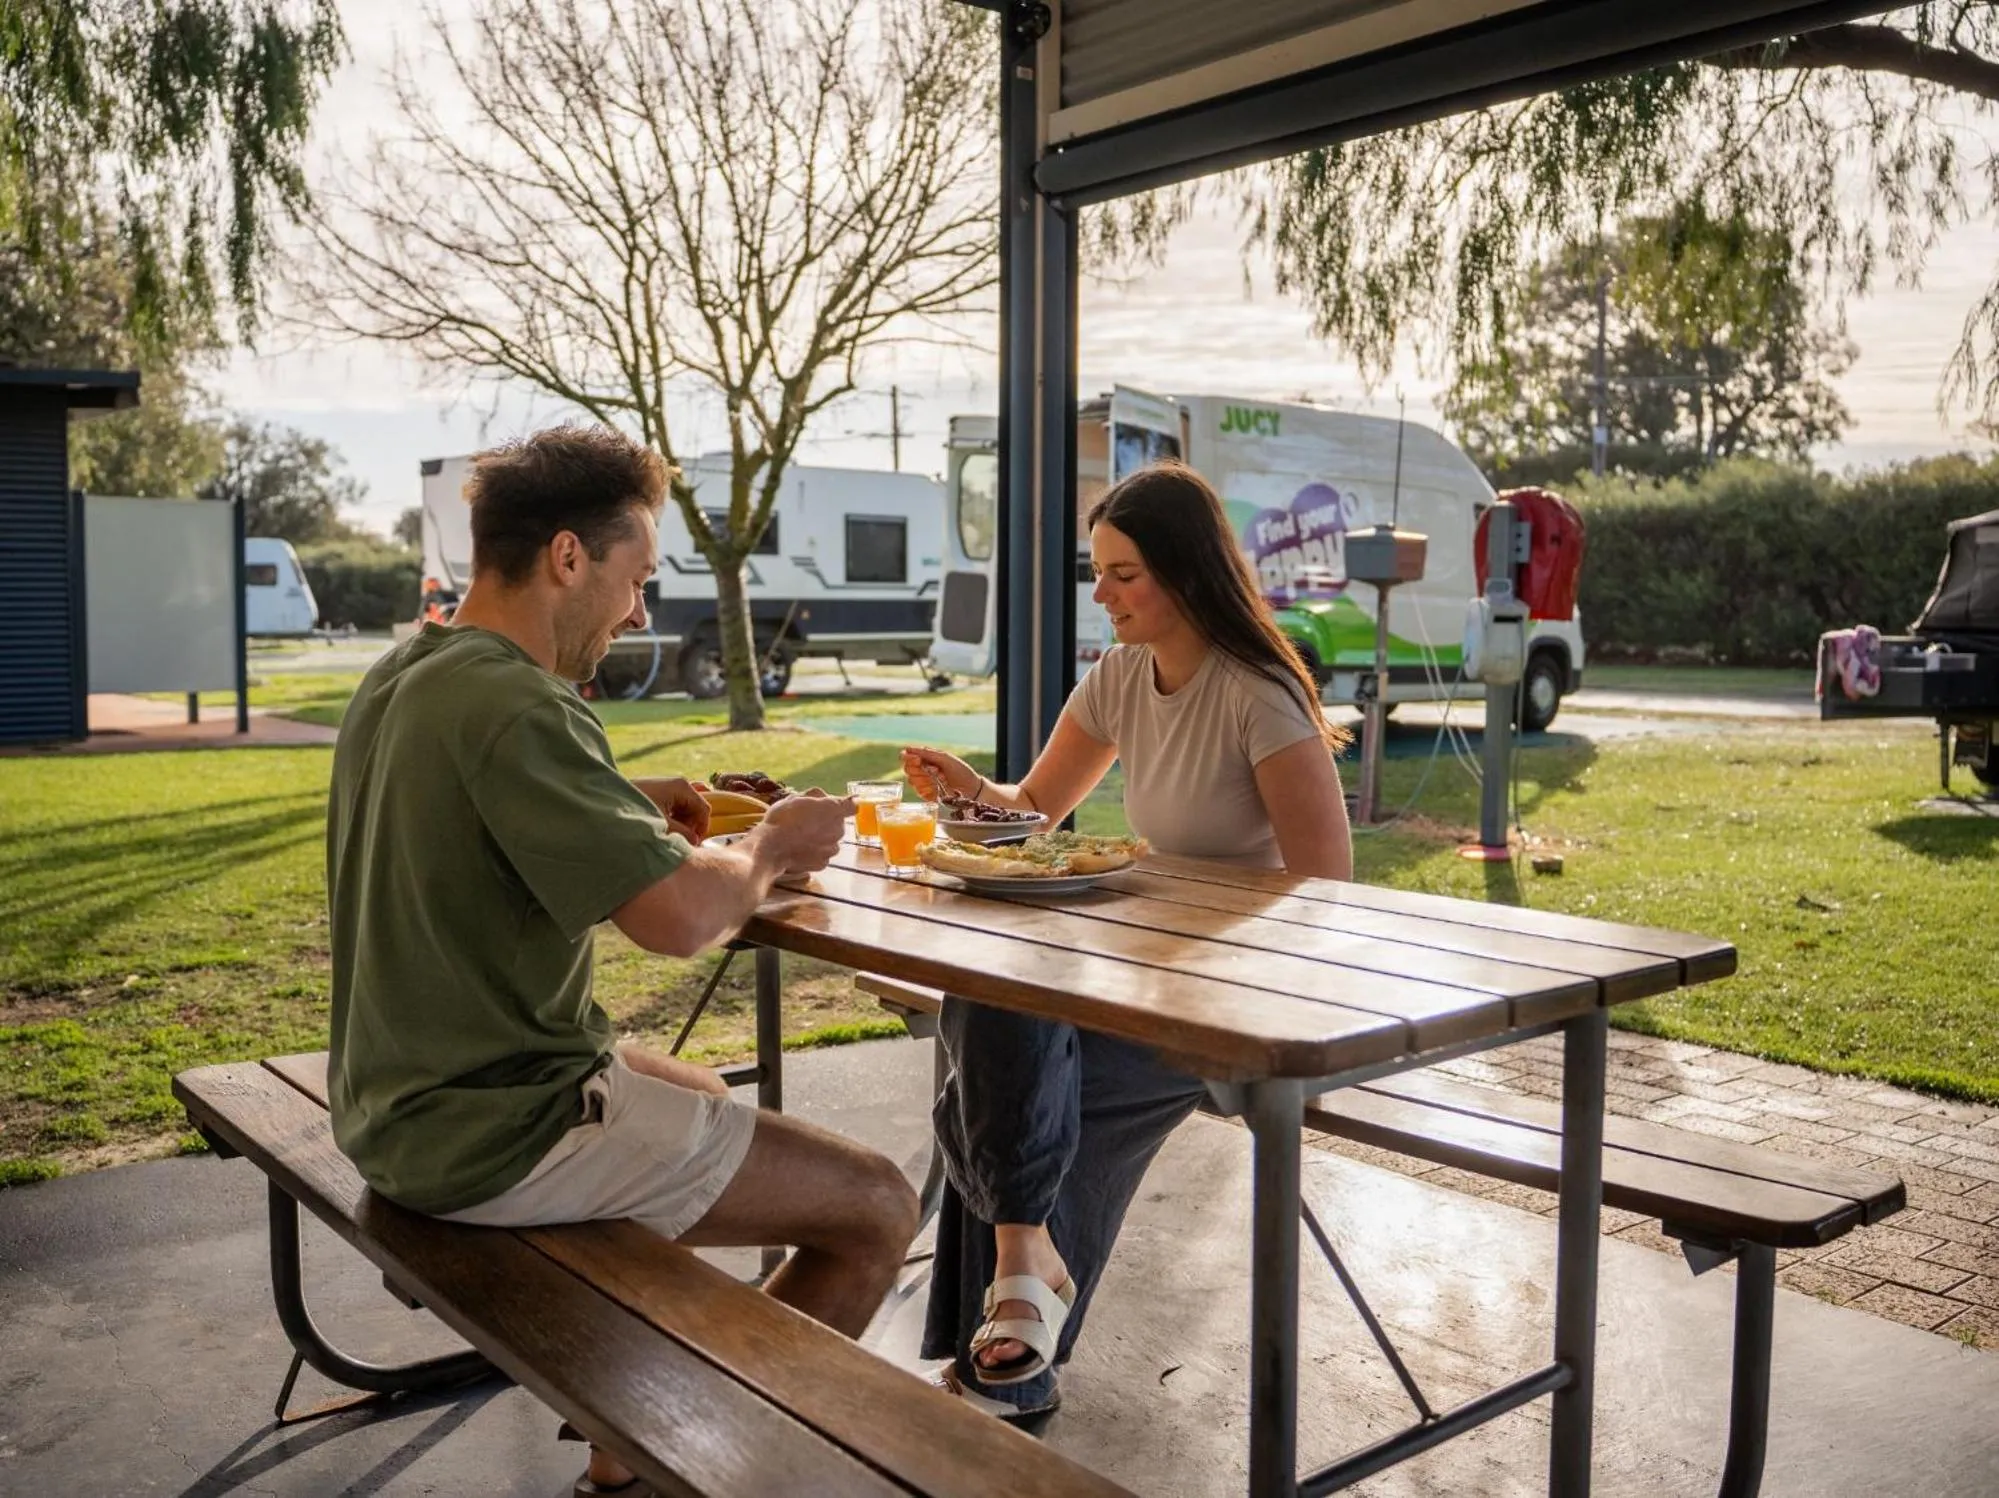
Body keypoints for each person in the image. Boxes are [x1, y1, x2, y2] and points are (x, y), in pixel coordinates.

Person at [326, 424, 918, 1496]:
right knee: (877, 1204)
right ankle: (656, 1458)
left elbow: (475, 802)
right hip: (497, 1130)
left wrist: (645, 804)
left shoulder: (411, 669)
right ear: (567, 558)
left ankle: (629, 1403)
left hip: (392, 1105)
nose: (641, 611)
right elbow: (684, 920)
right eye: (637, 579)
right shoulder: (521, 701)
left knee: (693, 1088)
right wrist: (770, 846)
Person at [901, 460, 1353, 1421]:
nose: (1099, 594)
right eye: (1096, 571)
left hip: (1234, 1001)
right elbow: (1031, 811)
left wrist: (1184, 925)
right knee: (993, 1002)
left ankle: (1009, 1331)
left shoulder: (1257, 693)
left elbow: (1327, 889)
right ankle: (1019, 1296)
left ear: (1185, 575)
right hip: (1140, 977)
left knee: (993, 1090)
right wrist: (962, 788)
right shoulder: (1117, 677)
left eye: (1122, 575)